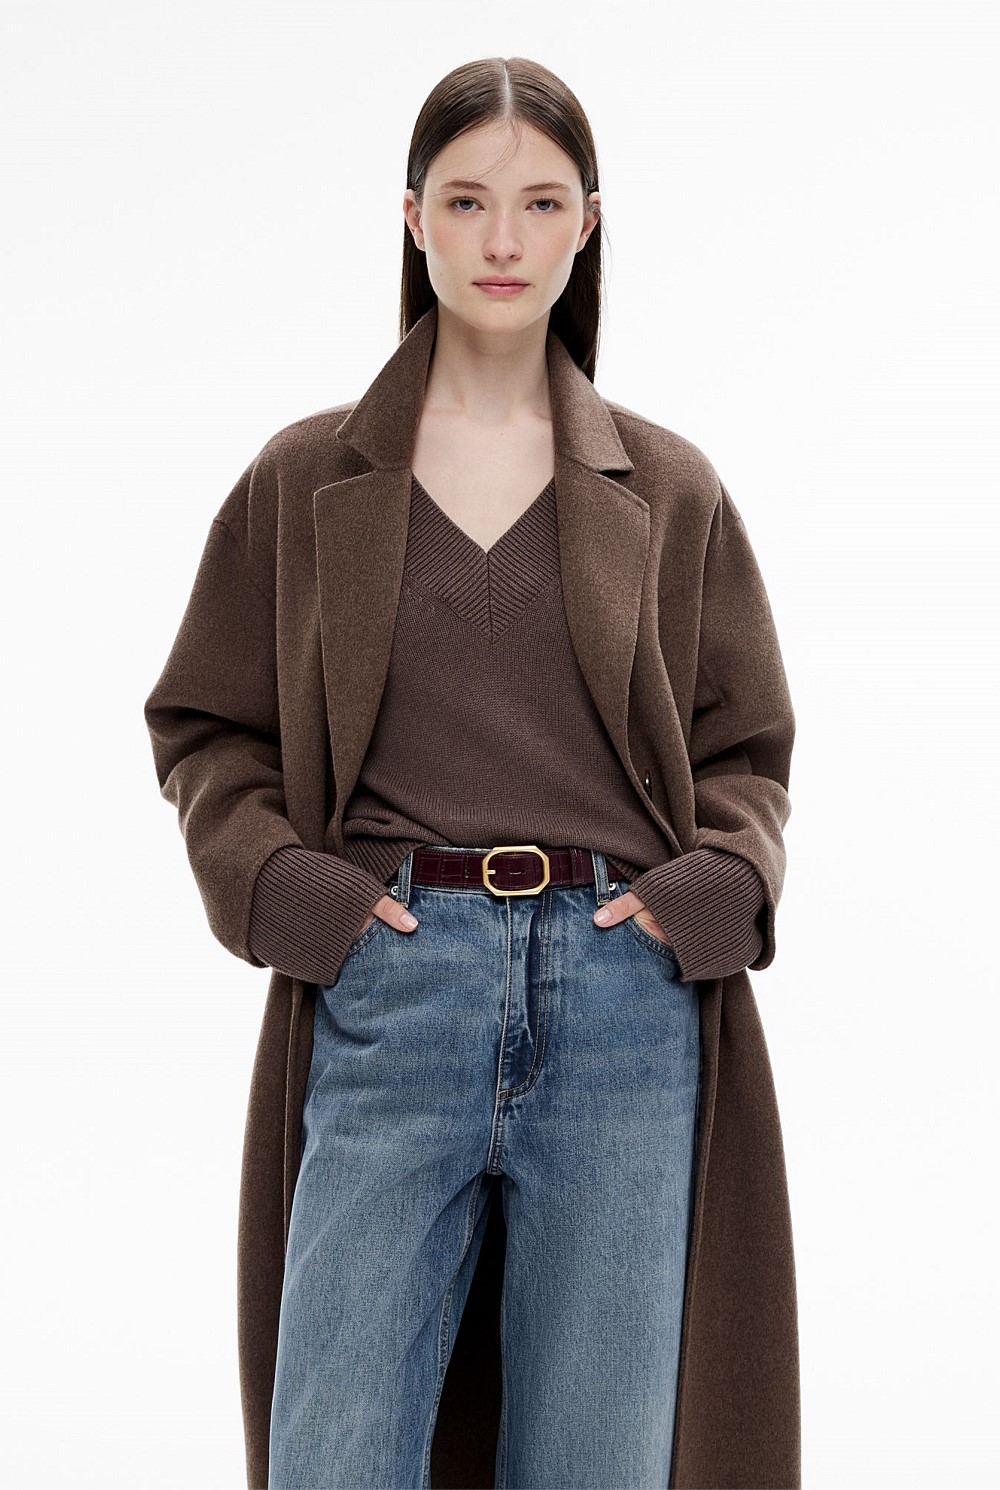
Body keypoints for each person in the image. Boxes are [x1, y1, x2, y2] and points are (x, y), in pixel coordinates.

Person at [144, 56, 799, 1490]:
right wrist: (290, 893)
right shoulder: (305, 479)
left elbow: (746, 745)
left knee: (596, 1463)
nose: (504, 239)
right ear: (413, 217)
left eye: (542, 202)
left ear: (588, 225)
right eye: (467, 201)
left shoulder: (670, 488)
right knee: (334, 1453)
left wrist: (713, 889)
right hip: (395, 983)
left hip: (625, 1003)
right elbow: (205, 727)